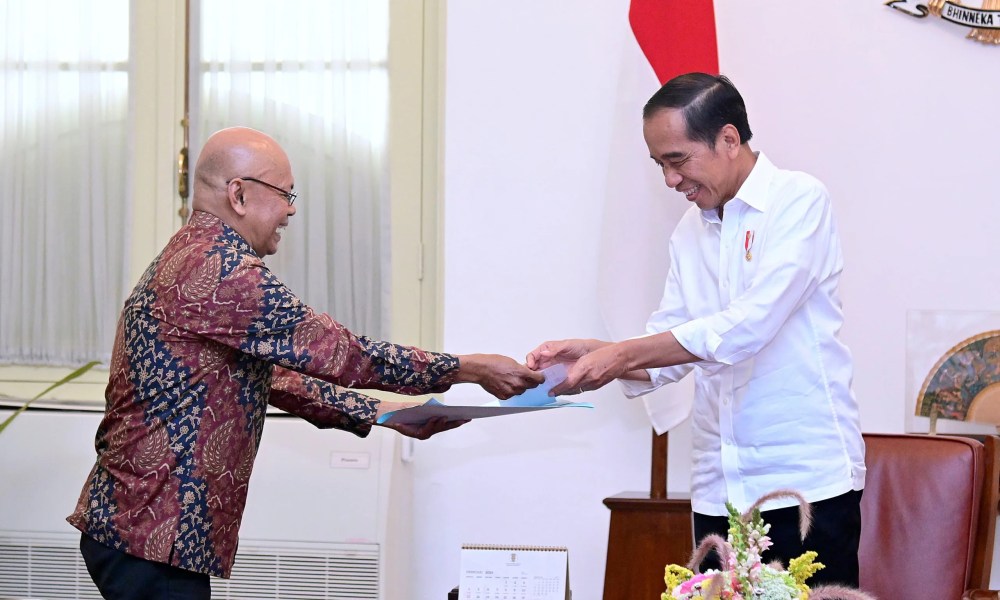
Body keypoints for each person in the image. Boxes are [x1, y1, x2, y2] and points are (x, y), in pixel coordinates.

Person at [68, 126, 544, 599]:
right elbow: (344, 353)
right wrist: (469, 368)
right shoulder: (221, 269)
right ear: (238, 194)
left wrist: (383, 413)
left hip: (140, 527)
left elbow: (272, 376)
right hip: (152, 531)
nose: (291, 209)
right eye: (285, 193)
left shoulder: (194, 255)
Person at [527, 73, 865, 587]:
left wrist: (623, 354)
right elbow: (673, 346)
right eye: (659, 165)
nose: (670, 180)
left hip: (804, 482)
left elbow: (749, 326)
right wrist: (599, 355)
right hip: (718, 485)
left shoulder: (798, 200)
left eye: (677, 160)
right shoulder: (690, 230)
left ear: (728, 139)